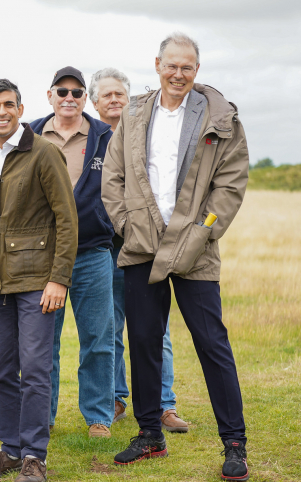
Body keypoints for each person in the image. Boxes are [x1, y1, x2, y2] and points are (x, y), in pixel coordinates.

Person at [102, 33, 250, 481]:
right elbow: (113, 176)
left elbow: (230, 184)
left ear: (196, 71)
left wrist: (202, 234)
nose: (178, 73)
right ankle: (150, 434)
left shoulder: (221, 119)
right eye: (171, 65)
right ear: (157, 65)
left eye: (187, 67)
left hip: (195, 250)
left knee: (212, 343)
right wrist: (127, 225)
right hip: (142, 246)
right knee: (145, 341)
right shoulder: (133, 114)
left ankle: (235, 443)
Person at [0, 79, 77, 482]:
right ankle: (10, 449)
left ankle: (34, 455)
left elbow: (66, 219)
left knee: (34, 368)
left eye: (8, 104)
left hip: (37, 281)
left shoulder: (44, 153)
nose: (1, 111)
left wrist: (58, 279)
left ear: (21, 107)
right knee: (3, 369)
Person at [90, 68, 188, 432]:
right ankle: (115, 399)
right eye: (107, 95)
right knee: (110, 327)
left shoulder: (147, 130)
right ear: (94, 101)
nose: (115, 100)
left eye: (120, 94)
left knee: (155, 329)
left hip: (147, 245)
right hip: (107, 248)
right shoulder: (91, 139)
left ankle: (164, 404)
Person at [30, 67, 115, 438]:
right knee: (43, 342)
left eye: (77, 93)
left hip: (93, 252)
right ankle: (42, 417)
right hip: (43, 256)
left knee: (97, 339)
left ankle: (98, 416)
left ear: (85, 98)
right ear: (49, 95)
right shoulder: (28, 134)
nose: (69, 98)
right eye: (62, 92)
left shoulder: (106, 136)